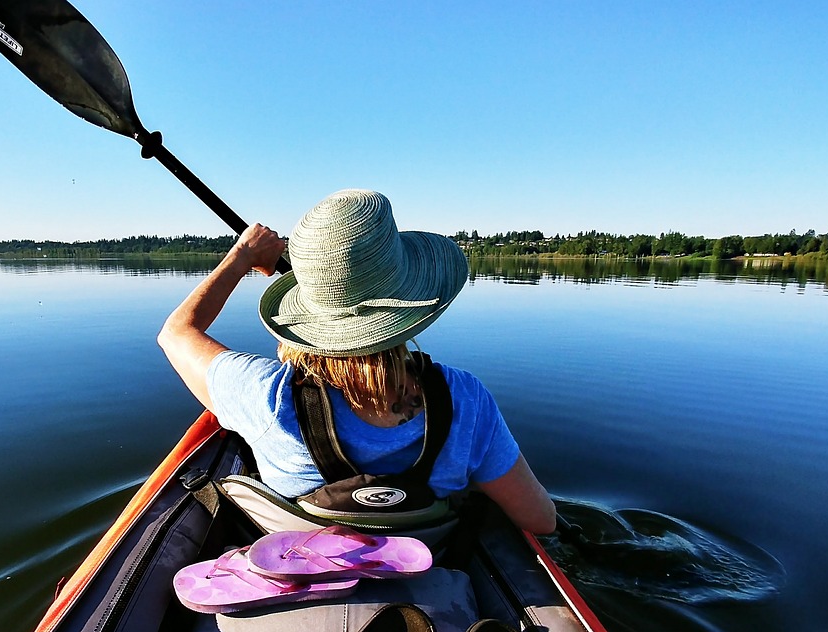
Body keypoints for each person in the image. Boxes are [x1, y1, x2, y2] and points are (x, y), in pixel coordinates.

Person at [158, 188, 555, 536]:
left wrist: (242, 255)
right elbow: (541, 520)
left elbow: (176, 333)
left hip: (306, 579)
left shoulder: (264, 395)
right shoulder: (466, 400)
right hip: (429, 575)